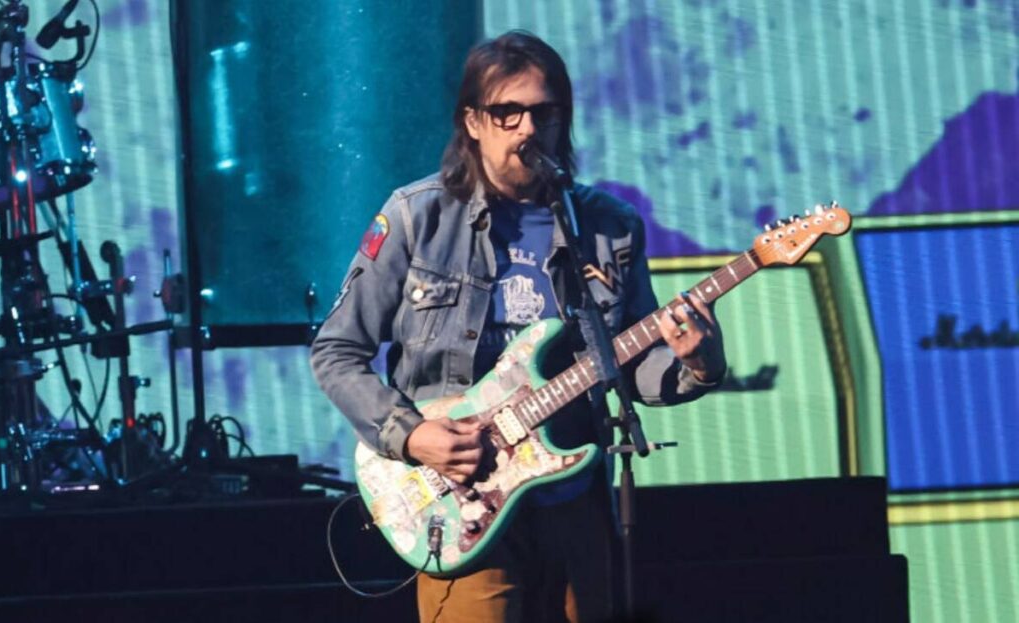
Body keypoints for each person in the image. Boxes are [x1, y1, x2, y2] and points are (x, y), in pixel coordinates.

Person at [311, 30, 726, 623]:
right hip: (463, 497)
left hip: (573, 497)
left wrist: (698, 363)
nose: (527, 129)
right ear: (473, 122)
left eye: (543, 113)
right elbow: (336, 350)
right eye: (508, 112)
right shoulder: (415, 216)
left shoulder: (609, 228)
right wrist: (408, 433)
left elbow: (630, 370)